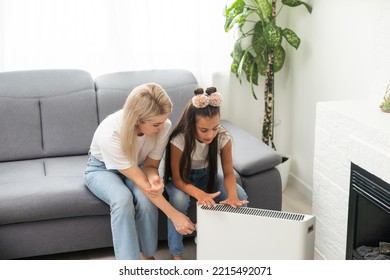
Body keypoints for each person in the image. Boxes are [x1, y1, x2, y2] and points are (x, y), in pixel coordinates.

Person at [84, 83, 196, 260]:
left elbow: (150, 166)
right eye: (156, 124)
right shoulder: (111, 133)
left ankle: (148, 255)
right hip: (101, 169)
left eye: (163, 121)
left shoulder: (163, 126)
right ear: (137, 120)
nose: (162, 127)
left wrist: (154, 179)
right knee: (122, 199)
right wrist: (175, 215)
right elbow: (139, 181)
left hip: (137, 167)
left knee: (146, 200)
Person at [164, 86, 249, 260]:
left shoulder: (223, 137)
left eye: (215, 128)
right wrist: (199, 194)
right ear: (191, 124)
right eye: (204, 130)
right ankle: (176, 253)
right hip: (183, 181)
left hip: (207, 177)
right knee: (179, 200)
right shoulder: (178, 140)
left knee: (241, 199)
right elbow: (178, 180)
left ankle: (223, 244)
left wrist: (232, 195)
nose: (210, 134)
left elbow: (228, 173)